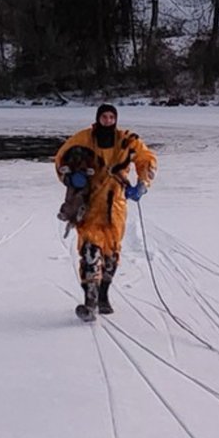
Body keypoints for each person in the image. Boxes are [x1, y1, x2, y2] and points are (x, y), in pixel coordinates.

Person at [53, 103, 158, 321]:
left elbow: (145, 157)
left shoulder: (126, 140)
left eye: (111, 117)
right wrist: (70, 178)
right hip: (90, 205)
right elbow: (61, 158)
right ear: (98, 118)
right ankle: (90, 302)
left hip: (115, 205)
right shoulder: (83, 138)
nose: (108, 121)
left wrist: (143, 183)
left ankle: (103, 295)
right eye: (104, 117)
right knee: (90, 252)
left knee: (111, 255)